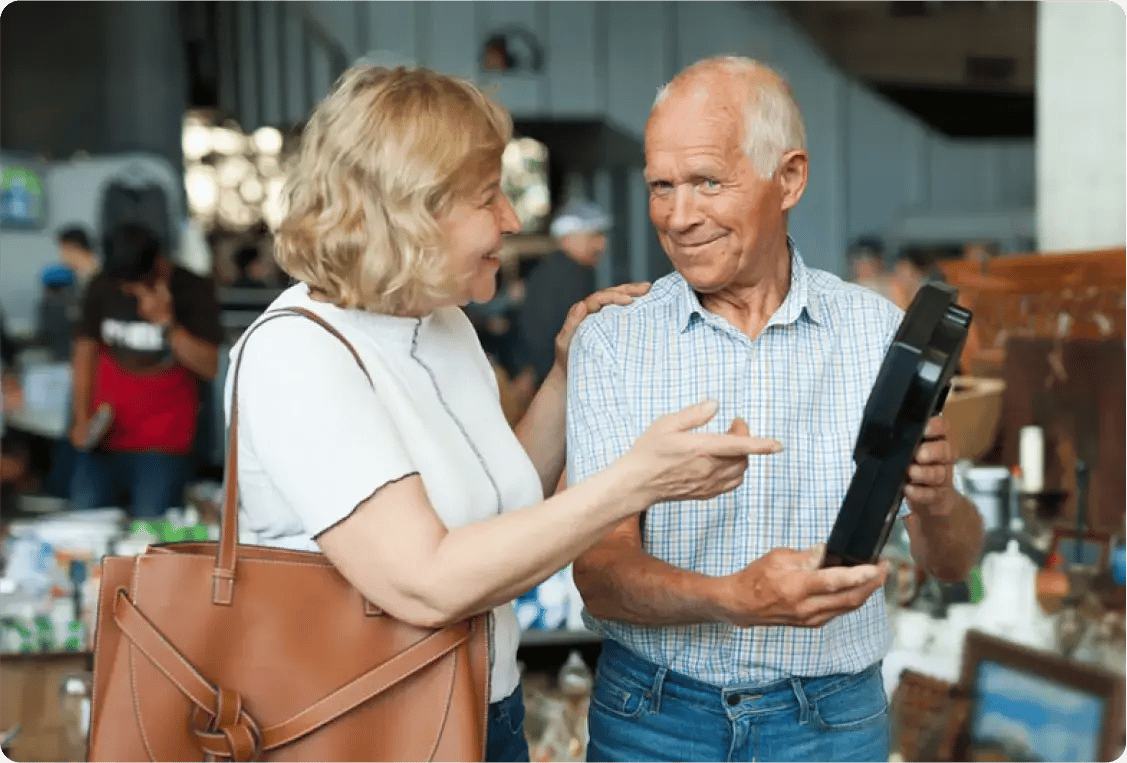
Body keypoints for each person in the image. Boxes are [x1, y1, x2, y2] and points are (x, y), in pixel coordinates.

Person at [225, 64, 782, 763]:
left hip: (485, 709)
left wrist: (562, 374)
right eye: (489, 198)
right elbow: (425, 581)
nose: (513, 221)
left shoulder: (444, 321)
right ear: (410, 210)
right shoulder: (297, 355)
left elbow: (499, 505)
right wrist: (635, 482)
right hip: (363, 728)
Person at [566, 57, 985, 763]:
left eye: (706, 182)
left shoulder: (876, 334)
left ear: (787, 178)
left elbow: (953, 563)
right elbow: (600, 572)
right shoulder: (612, 340)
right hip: (654, 717)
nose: (678, 216)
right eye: (660, 187)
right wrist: (731, 596)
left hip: (830, 721)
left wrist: (939, 500)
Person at [69, 223, 223, 516]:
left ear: (158, 264)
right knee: (87, 525)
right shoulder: (102, 285)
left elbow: (209, 365)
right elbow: (84, 352)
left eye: (134, 283)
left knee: (147, 534)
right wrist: (80, 418)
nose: (126, 289)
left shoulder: (192, 289)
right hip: (104, 436)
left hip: (163, 444)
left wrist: (166, 324)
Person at [517, 199, 610, 386]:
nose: (602, 245)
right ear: (567, 239)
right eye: (594, 236)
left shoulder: (554, 271)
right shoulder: (565, 276)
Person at [36, 226, 100, 361]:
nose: (61, 255)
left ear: (74, 247)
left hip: (93, 351)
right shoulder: (61, 279)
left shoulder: (102, 277)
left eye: (63, 248)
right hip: (64, 350)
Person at [847, 235, 896, 303]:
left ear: (880, 261)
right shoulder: (847, 289)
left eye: (868, 260)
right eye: (859, 259)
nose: (864, 265)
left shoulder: (891, 287)